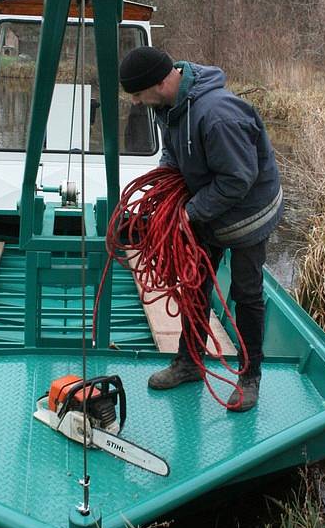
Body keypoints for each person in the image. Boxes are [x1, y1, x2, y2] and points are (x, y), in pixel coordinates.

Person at [119, 46, 283, 412]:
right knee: (192, 283)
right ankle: (189, 363)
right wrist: (164, 184)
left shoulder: (218, 115)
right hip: (208, 205)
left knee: (247, 293)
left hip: (248, 212)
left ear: (161, 83)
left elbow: (238, 180)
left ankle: (250, 375)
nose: (135, 101)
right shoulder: (169, 107)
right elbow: (174, 155)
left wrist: (188, 213)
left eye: (137, 93)